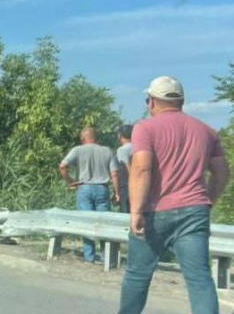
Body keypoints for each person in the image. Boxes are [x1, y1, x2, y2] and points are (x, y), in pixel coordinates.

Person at [119, 76, 230, 314]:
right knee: (200, 279)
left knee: (138, 276)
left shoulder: (145, 128)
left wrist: (136, 211)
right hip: (194, 211)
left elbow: (141, 169)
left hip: (153, 212)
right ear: (182, 100)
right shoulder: (206, 131)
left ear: (151, 102)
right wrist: (207, 202)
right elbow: (221, 174)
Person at [60, 126, 119, 263]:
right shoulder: (107, 151)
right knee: (104, 224)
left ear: (82, 138)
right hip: (102, 189)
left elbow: (62, 166)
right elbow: (115, 174)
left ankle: (89, 257)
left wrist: (70, 182)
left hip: (84, 188)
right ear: (97, 138)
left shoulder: (78, 150)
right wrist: (117, 193)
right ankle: (107, 257)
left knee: (86, 223)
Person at [116, 125, 134, 213]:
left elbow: (126, 167)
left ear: (120, 135)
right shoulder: (139, 147)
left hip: (127, 186)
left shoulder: (122, 150)